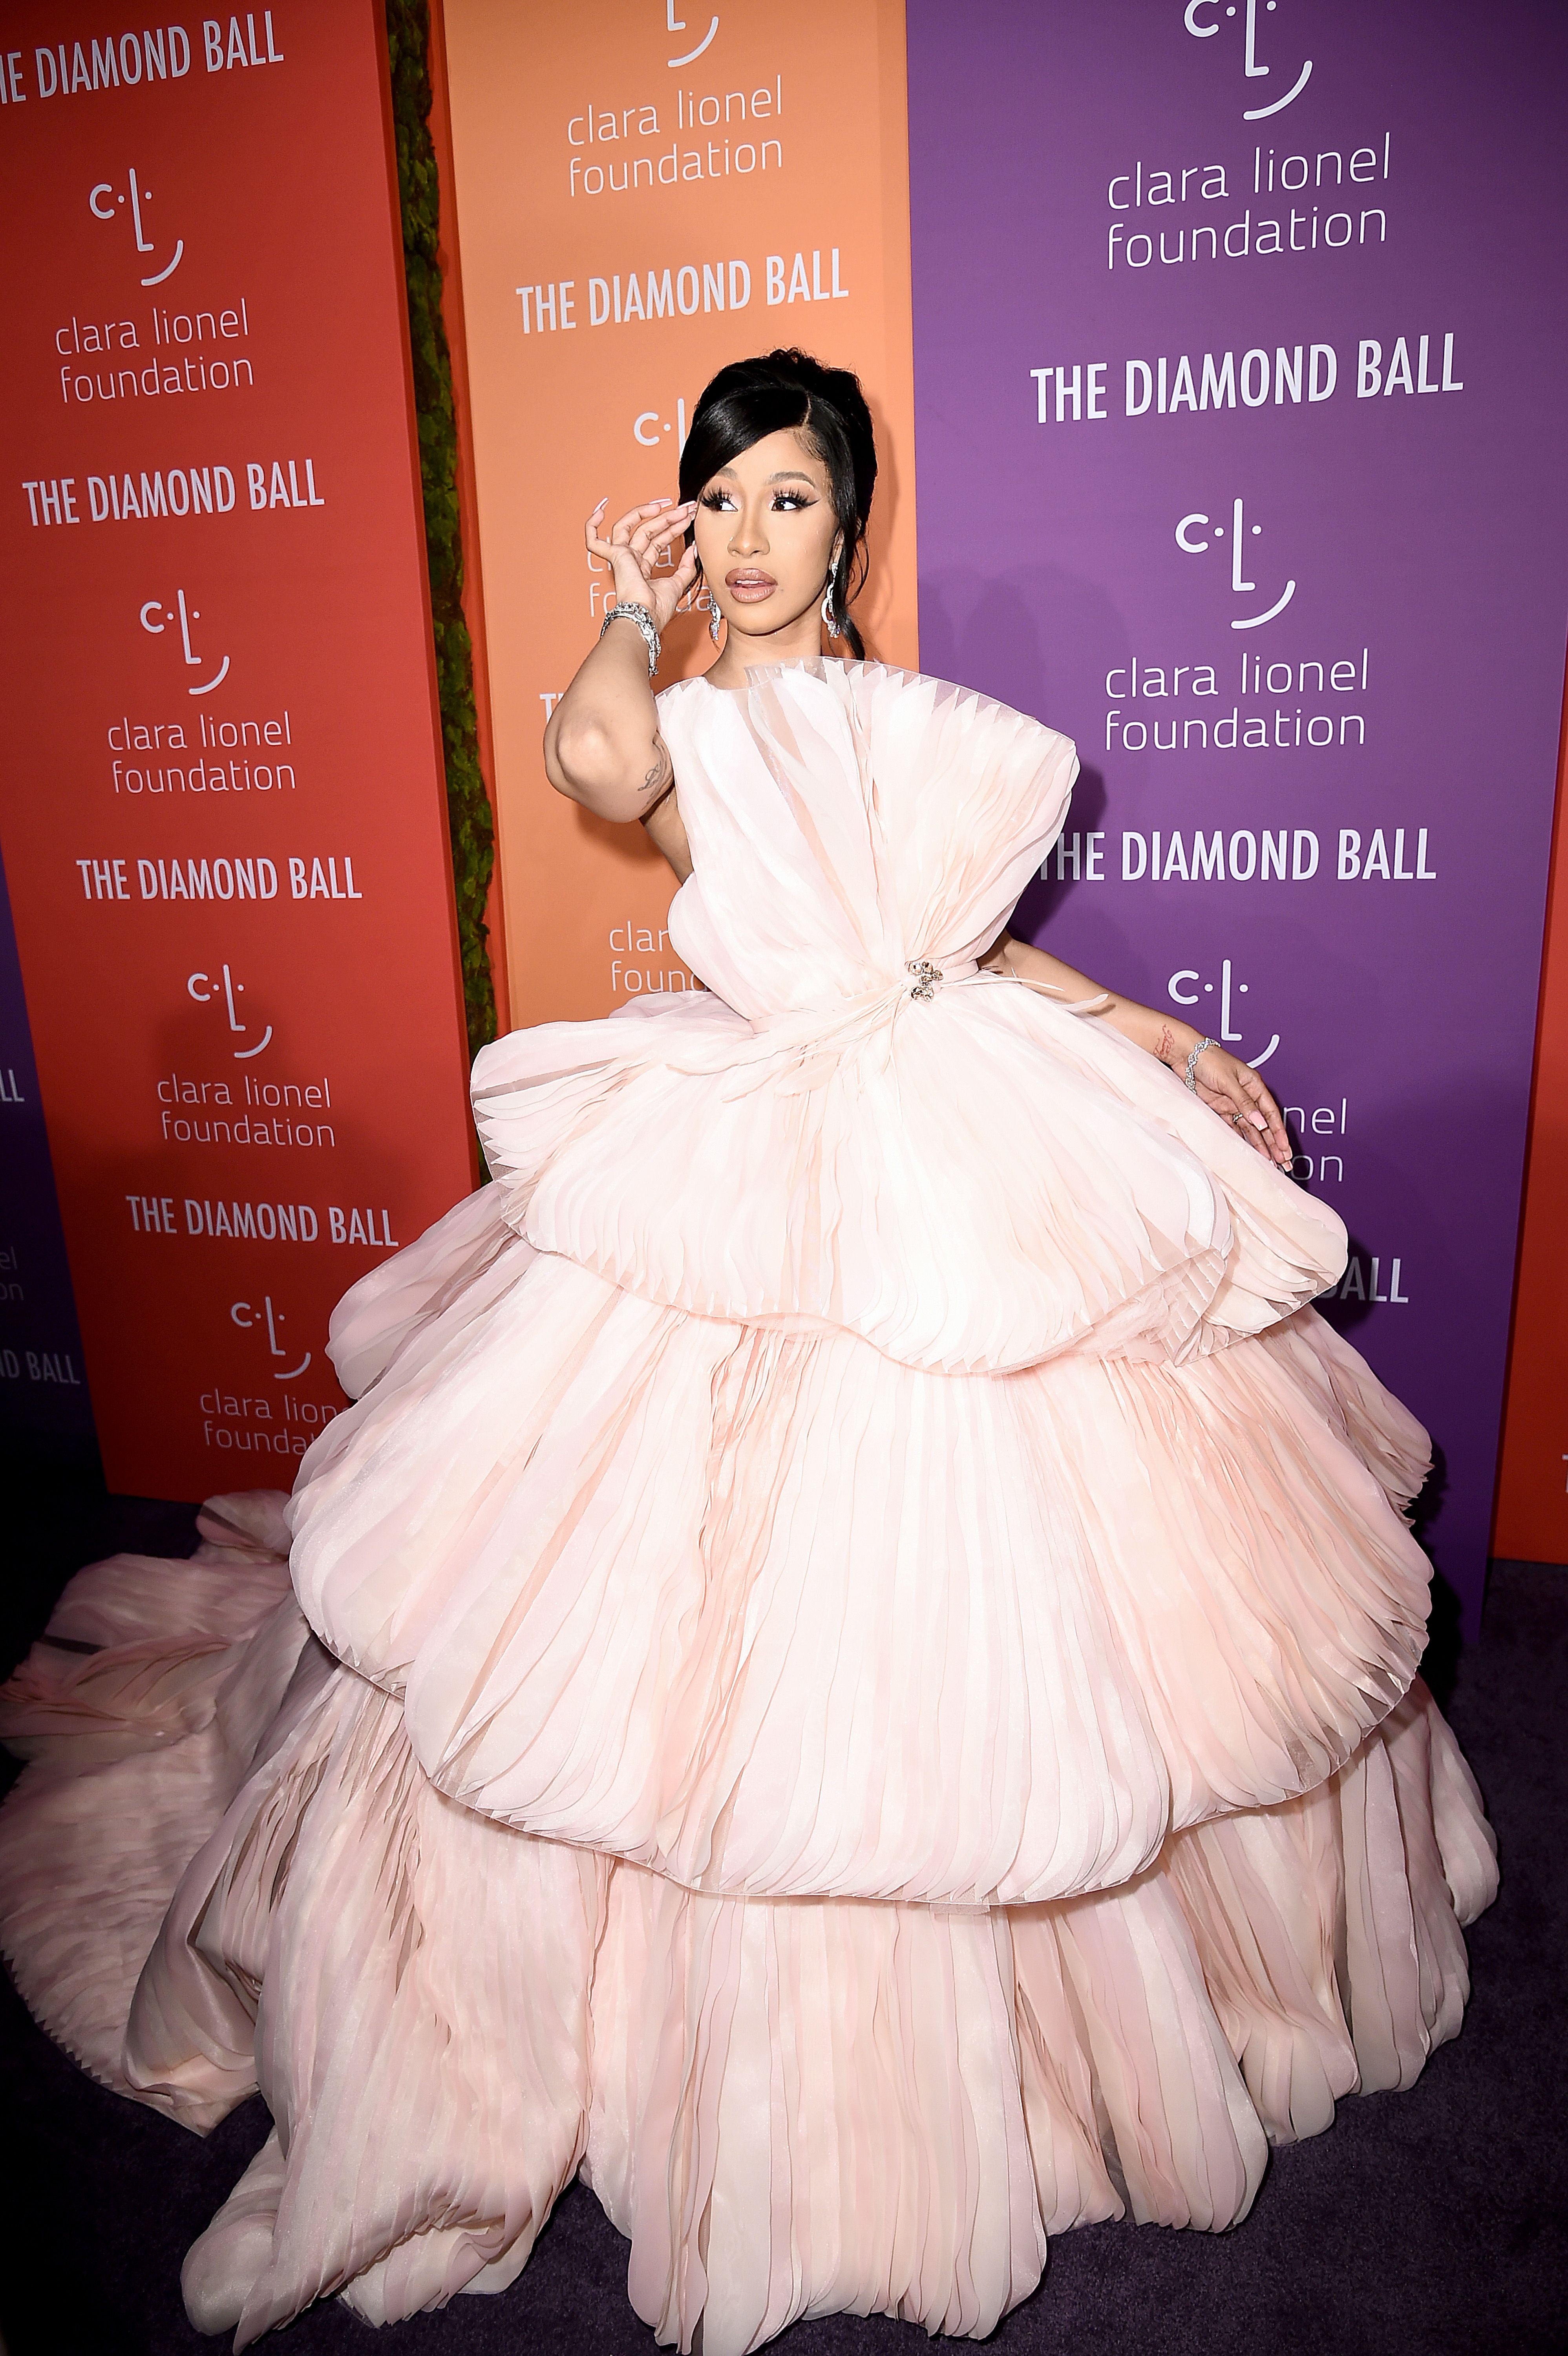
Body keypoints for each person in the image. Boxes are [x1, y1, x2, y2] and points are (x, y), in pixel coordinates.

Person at [0, 349, 1496, 2354]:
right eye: (730, 499)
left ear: (850, 521)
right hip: (743, 1122)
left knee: (980, 1551)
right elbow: (599, 770)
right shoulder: (689, 712)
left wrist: (1141, 1033)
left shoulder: (900, 719)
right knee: (654, 1584)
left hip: (930, 1109)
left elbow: (953, 949)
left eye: (794, 498)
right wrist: (634, 596)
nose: (762, 537)